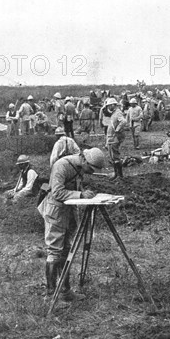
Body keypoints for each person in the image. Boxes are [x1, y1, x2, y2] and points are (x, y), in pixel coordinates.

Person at [37, 148, 106, 302]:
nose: (90, 172)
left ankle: (65, 291)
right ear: (84, 159)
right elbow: (57, 192)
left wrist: (83, 191)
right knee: (55, 251)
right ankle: (50, 295)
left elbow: (75, 186)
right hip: (55, 212)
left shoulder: (79, 167)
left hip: (68, 212)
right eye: (90, 169)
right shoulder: (61, 166)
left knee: (66, 250)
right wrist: (80, 195)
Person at [107, 100, 126, 180]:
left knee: (115, 156)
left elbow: (123, 121)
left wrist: (117, 129)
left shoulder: (118, 112)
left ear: (113, 105)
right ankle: (117, 174)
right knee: (113, 156)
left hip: (114, 137)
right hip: (111, 137)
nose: (108, 107)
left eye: (109, 106)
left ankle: (119, 175)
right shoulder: (114, 113)